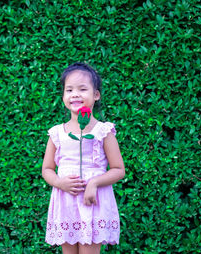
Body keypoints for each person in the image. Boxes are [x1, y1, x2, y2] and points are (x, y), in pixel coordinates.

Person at [42, 62, 125, 254]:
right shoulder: (57, 133)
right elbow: (47, 169)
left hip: (93, 201)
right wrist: (59, 182)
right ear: (63, 95)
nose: (75, 94)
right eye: (69, 89)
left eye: (82, 89)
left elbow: (118, 169)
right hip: (66, 202)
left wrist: (94, 183)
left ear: (96, 95)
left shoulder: (103, 131)